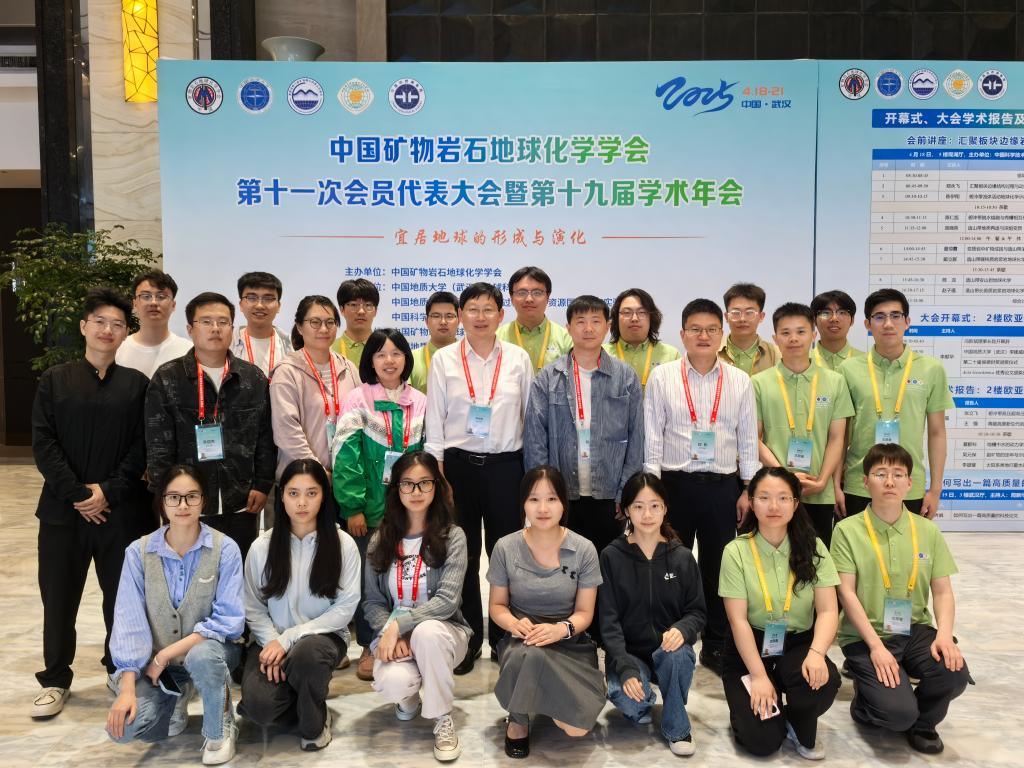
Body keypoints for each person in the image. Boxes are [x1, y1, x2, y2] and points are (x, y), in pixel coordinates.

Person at [30, 288, 150, 718]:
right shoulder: (55, 380)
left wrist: (108, 491)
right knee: (59, 597)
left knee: (122, 598)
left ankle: (119, 669)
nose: (108, 330)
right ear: (84, 327)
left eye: (117, 324)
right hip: (63, 513)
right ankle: (55, 678)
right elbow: (44, 444)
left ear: (125, 333)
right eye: (100, 321)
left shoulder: (136, 385)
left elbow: (141, 447)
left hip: (122, 512)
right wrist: (80, 495)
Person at [644, 298, 759, 676]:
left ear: (721, 334)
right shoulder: (663, 377)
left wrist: (748, 488)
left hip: (722, 487)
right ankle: (668, 638)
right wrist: (651, 491)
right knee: (669, 566)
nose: (703, 336)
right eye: (695, 329)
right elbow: (653, 435)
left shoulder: (739, 381)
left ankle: (716, 642)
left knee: (718, 568)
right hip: (673, 485)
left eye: (711, 329)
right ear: (682, 334)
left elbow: (747, 439)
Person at [831, 443, 970, 755]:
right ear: (865, 482)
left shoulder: (927, 531)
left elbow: (942, 591)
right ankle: (867, 704)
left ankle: (924, 724)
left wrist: (944, 636)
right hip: (866, 635)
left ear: (910, 483)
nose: (889, 481)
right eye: (880, 473)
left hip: (915, 629)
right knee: (896, 715)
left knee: (954, 673)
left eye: (898, 474)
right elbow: (846, 593)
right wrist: (876, 647)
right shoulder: (847, 530)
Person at [425, 282, 533, 675]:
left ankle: (506, 637)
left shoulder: (518, 359)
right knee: (463, 554)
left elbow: (529, 418)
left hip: (507, 468)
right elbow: (434, 420)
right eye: (472, 309)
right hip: (458, 469)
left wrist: (531, 475)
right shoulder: (444, 360)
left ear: (501, 315)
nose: (480, 317)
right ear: (461, 316)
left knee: (507, 555)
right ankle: (467, 638)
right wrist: (438, 474)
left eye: (489, 309)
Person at [105, 464, 245, 765]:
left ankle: (219, 728)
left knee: (202, 657)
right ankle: (176, 695)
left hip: (212, 653)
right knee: (124, 730)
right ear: (162, 501)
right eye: (174, 497)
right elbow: (129, 623)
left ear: (204, 501)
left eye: (192, 496)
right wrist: (127, 688)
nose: (183, 505)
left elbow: (229, 621)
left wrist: (164, 656)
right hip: (162, 667)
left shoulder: (225, 549)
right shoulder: (138, 553)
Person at [719, 466, 841, 760]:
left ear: (796, 503)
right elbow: (737, 620)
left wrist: (817, 653)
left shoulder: (814, 548)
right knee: (762, 741)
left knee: (823, 682)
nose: (774, 506)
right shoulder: (736, 552)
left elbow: (828, 610)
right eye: (764, 497)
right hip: (750, 648)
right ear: (751, 502)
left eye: (783, 498)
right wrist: (759, 676)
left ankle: (796, 717)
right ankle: (760, 710)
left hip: (797, 643)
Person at [239, 459, 360, 751]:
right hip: (271, 639)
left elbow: (345, 608)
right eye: (293, 493)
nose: (302, 502)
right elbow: (253, 607)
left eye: (311, 493)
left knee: (307, 656)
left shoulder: (343, 544)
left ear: (324, 496)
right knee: (259, 709)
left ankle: (315, 720)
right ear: (281, 496)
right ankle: (304, 694)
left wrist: (290, 638)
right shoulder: (262, 547)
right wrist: (274, 641)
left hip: (323, 638)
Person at [145, 292, 277, 559]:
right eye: (206, 322)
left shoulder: (252, 378)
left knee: (236, 573)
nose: (215, 328)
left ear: (232, 328)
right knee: (187, 574)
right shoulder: (168, 378)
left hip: (241, 503)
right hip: (186, 505)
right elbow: (158, 446)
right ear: (190, 329)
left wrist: (262, 485)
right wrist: (167, 497)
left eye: (223, 322)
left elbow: (265, 438)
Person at [487, 466, 605, 759]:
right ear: (523, 504)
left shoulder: (584, 549)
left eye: (551, 499)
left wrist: (560, 629)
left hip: (569, 642)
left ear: (563, 503)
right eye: (534, 499)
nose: (542, 508)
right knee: (529, 655)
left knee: (575, 729)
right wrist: (514, 624)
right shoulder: (506, 547)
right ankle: (518, 718)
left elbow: (585, 612)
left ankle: (538, 696)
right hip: (522, 640)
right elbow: (497, 606)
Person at [364, 451, 471, 763]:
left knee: (426, 633)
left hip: (444, 634)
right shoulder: (380, 539)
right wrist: (391, 630)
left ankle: (442, 718)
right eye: (407, 484)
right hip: (394, 637)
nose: (416, 491)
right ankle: (408, 698)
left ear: (436, 486)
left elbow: (447, 601)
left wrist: (400, 625)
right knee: (392, 683)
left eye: (425, 483)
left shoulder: (453, 537)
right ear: (396, 488)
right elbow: (372, 601)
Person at [333, 328, 426, 682]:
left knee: (405, 577)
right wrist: (353, 507)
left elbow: (425, 455)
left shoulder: (420, 401)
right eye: (381, 354)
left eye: (396, 353)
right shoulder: (358, 399)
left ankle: (406, 639)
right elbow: (346, 455)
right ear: (370, 361)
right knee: (369, 581)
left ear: (406, 359)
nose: (389, 360)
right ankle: (370, 645)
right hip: (367, 511)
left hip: (410, 509)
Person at [524, 294, 644, 557]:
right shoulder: (548, 377)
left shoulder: (625, 377)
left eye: (595, 321)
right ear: (568, 328)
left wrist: (626, 492)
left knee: (607, 566)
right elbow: (535, 440)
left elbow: (637, 438)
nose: (588, 328)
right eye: (580, 321)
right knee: (563, 566)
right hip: (562, 495)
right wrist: (543, 495)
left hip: (610, 496)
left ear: (608, 326)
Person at [599, 472, 706, 756]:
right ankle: (645, 699)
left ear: (665, 508)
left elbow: (697, 611)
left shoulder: (682, 557)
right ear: (626, 510)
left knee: (678, 655)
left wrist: (683, 629)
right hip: (629, 653)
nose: (647, 515)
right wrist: (625, 667)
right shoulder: (611, 556)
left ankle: (677, 727)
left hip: (667, 650)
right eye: (638, 506)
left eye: (655, 506)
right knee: (629, 700)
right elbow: (608, 621)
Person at [838, 288, 954, 519]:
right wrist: (835, 486)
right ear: (867, 324)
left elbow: (937, 432)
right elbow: (840, 435)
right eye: (879, 317)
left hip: (909, 484)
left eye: (895, 316)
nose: (888, 323)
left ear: (907, 322)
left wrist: (935, 490)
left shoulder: (931, 369)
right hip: (859, 483)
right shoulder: (848, 370)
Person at [752, 302, 854, 547]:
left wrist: (822, 481)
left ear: (813, 334)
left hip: (819, 492)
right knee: (773, 555)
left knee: (817, 557)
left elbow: (837, 438)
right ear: (775, 338)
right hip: (774, 492)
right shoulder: (758, 383)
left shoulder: (835, 381)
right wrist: (783, 477)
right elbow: (753, 438)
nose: (793, 339)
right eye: (785, 332)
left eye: (801, 331)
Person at [269, 295, 359, 481]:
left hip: (345, 479)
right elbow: (286, 431)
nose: (324, 329)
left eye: (330, 322)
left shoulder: (348, 368)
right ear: (300, 327)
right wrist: (319, 473)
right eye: (315, 322)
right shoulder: (287, 372)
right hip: (302, 481)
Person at [116, 270, 193, 378]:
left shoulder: (189, 351)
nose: (153, 302)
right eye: (146, 296)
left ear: (173, 305)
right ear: (135, 304)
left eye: (161, 296)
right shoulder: (117, 349)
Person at [496, 265, 572, 372]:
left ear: (548, 297)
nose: (529, 299)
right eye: (522, 293)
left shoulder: (566, 339)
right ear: (511, 298)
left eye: (537, 293)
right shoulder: (497, 337)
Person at [603, 287, 681, 389]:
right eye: (627, 312)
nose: (634, 318)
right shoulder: (601, 353)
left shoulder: (672, 355)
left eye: (642, 312)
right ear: (616, 318)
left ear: (651, 317)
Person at [230, 271, 293, 377]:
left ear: (278, 306)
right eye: (251, 298)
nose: (259, 305)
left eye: (268, 299)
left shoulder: (292, 345)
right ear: (241, 305)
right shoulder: (228, 344)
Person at [718, 283, 779, 376]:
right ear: (726, 317)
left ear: (761, 316)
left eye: (749, 312)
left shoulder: (777, 354)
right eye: (736, 312)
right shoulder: (712, 352)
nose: (742, 319)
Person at [409, 291, 460, 394]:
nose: (443, 322)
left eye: (449, 316)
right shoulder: (411, 359)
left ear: (459, 320)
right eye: (436, 316)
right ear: (426, 321)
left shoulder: (470, 356)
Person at [810, 289, 863, 372]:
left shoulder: (867, 362)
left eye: (842, 313)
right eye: (826, 313)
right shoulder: (801, 361)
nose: (834, 318)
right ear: (814, 320)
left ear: (852, 320)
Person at [332, 278, 378, 367]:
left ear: (375, 311)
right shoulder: (330, 349)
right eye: (353, 305)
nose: (361, 311)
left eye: (368, 305)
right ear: (342, 310)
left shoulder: (385, 348)